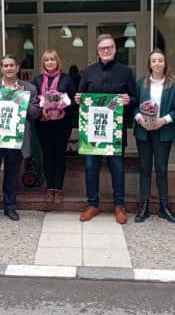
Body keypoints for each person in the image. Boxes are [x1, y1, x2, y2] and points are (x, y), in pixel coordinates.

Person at [75, 34, 137, 224]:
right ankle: (93, 204)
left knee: (117, 168)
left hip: (115, 131)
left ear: (115, 49)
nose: (106, 51)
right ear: (98, 51)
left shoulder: (125, 72)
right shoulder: (88, 72)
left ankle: (119, 206)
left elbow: (135, 99)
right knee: (91, 167)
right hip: (93, 131)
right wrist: (78, 99)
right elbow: (80, 97)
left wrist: (129, 100)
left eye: (109, 47)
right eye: (103, 48)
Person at [0, 55, 41, 226]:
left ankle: (10, 207)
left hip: (15, 140)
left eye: (12, 65)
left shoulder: (29, 88)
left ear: (17, 68)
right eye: (6, 66)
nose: (9, 68)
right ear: (1, 68)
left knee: (12, 175)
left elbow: (35, 113)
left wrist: (20, 98)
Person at [133, 49, 175, 223]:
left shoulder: (174, 84)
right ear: (149, 64)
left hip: (163, 131)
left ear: (165, 63)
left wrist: (164, 120)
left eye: (160, 60)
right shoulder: (141, 83)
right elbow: (134, 105)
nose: (157, 64)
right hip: (143, 132)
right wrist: (140, 119)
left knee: (161, 168)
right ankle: (144, 206)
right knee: (145, 168)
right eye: (153, 61)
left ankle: (164, 207)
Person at [31, 50, 76, 203]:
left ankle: (59, 188)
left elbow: (74, 102)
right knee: (47, 156)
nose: (49, 62)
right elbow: (33, 102)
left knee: (59, 155)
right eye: (46, 60)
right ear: (43, 63)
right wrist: (40, 109)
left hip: (62, 124)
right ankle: (50, 188)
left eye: (52, 59)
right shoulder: (36, 81)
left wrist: (64, 110)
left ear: (58, 62)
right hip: (43, 124)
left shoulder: (67, 80)